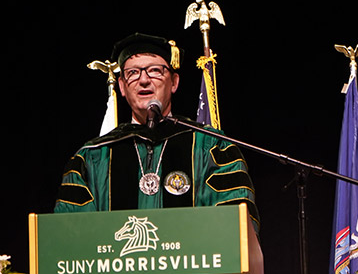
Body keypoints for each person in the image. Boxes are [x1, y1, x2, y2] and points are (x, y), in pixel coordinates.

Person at [53, 32, 255, 213]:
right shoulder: (93, 156)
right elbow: (71, 235)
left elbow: (234, 229)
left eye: (155, 71)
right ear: (122, 86)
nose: (143, 80)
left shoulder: (211, 147)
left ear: (174, 82)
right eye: (132, 73)